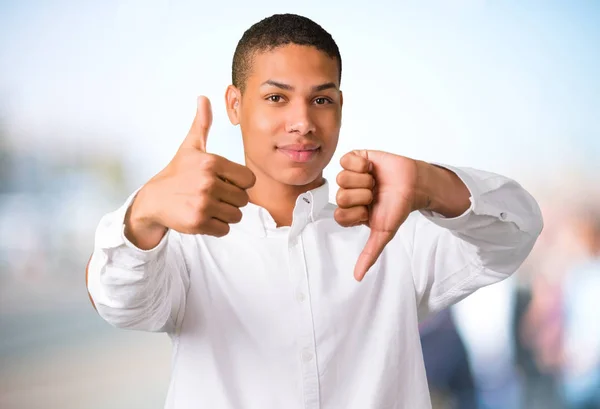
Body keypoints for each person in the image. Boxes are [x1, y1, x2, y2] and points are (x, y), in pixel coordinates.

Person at [86, 13, 543, 409]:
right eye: (276, 97)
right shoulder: (185, 241)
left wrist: (430, 182)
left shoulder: (397, 231)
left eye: (321, 99)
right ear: (234, 104)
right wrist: (143, 216)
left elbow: (517, 231)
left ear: (340, 107)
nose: (303, 121)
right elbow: (121, 303)